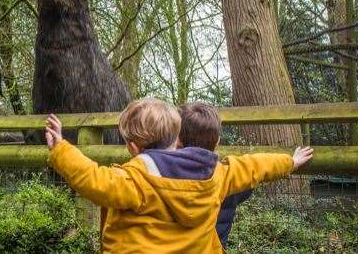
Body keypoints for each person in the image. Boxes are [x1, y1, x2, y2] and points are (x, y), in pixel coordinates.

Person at [45, 98, 314, 253]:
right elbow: (257, 166)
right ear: (176, 139)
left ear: (133, 148)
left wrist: (61, 149)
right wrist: (290, 161)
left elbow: (93, 178)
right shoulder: (219, 174)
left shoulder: (136, 178)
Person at [177, 102, 252, 249]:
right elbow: (249, 181)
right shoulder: (228, 176)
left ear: (178, 141)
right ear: (217, 141)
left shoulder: (168, 175)